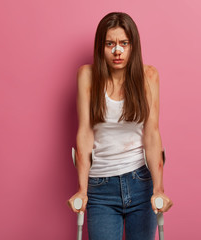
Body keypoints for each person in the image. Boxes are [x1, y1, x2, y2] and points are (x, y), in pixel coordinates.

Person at [67, 12, 173, 240]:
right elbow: (85, 132)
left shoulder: (148, 76)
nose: (117, 51)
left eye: (124, 43)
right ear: (101, 47)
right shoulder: (87, 76)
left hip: (140, 182)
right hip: (100, 187)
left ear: (133, 46)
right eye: (110, 44)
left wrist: (159, 189)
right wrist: (82, 189)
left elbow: (152, 134)